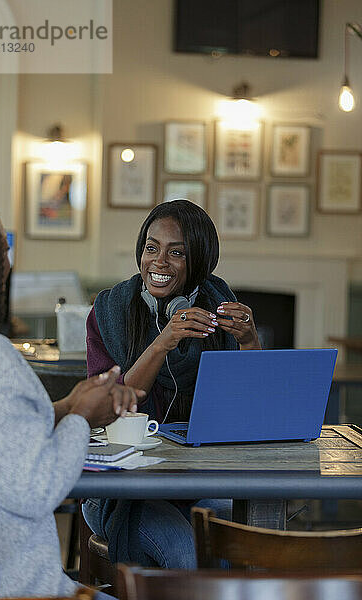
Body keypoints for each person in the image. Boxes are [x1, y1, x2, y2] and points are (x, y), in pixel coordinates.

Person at [0, 183, 145, 597]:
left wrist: (65, 407)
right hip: (16, 589)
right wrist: (82, 418)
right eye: (0, 246)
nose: (7, 260)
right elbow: (37, 486)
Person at [83, 199, 261, 568]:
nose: (159, 263)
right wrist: (163, 341)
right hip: (120, 493)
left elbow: (251, 408)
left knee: (252, 539)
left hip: (197, 482)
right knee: (184, 551)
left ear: (199, 262)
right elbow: (107, 409)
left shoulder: (219, 304)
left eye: (176, 253)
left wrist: (247, 340)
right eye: (151, 248)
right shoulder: (109, 311)